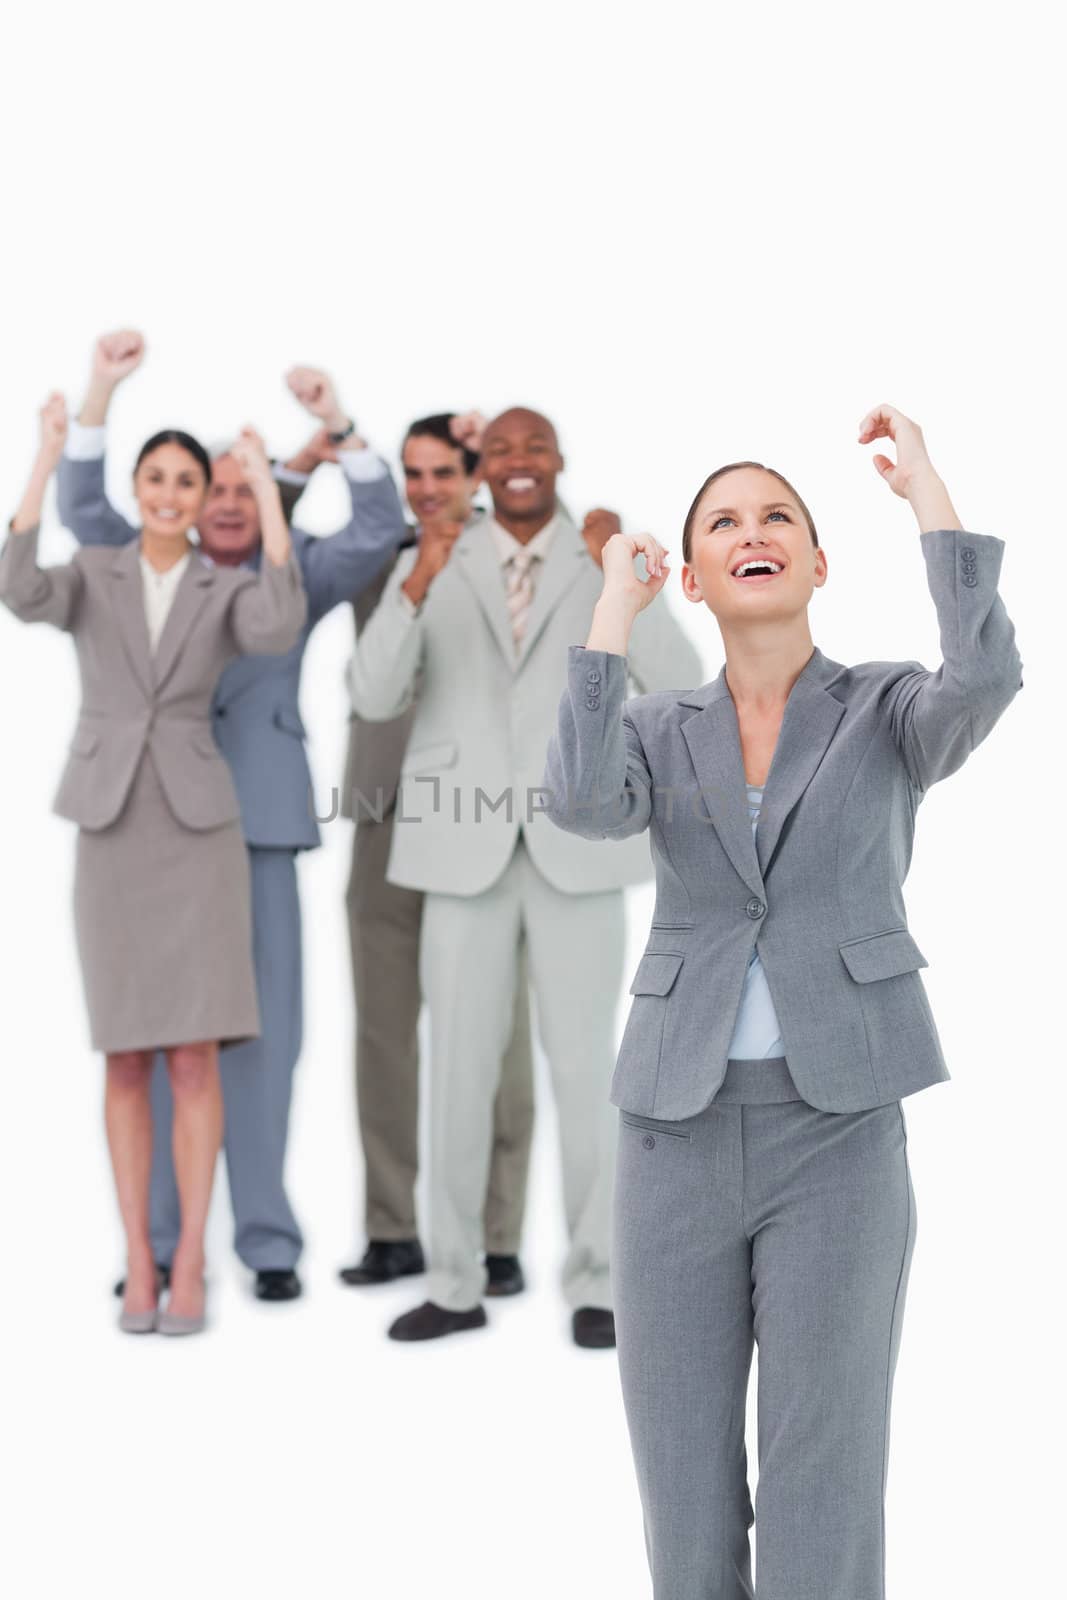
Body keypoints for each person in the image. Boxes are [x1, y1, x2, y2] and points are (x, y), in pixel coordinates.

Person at [542, 405, 1023, 1594]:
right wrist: (612, 603)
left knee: (825, 1470)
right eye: (722, 521)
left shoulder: (885, 710)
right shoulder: (657, 726)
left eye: (776, 519)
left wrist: (926, 492)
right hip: (671, 1131)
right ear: (695, 577)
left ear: (816, 562)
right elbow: (578, 799)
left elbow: (986, 675)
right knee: (682, 1482)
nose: (749, 532)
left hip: (839, 1130)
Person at [55, 333, 405, 1303]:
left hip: (253, 827)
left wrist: (334, 425)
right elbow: (79, 505)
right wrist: (100, 396)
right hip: (141, 827)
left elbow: (378, 522)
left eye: (241, 490)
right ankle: (166, 1241)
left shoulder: (289, 579)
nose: (221, 503)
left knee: (261, 1040)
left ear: (264, 499)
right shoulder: (133, 559)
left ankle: (264, 1238)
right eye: (206, 487)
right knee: (156, 1035)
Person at [348, 406, 703, 1346]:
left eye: (531, 446)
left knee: (591, 1078)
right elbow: (373, 694)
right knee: (457, 1076)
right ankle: (454, 1282)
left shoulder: (602, 555)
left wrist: (628, 580)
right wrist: (417, 578)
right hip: (457, 857)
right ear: (479, 466)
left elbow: (674, 684)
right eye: (497, 450)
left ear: (557, 460)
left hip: (580, 848)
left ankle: (599, 1284)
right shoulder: (432, 560)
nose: (515, 462)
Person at [0, 396, 308, 1335]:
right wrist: (45, 461)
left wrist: (265, 488)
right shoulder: (94, 569)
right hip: (110, 829)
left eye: (191, 481)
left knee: (196, 1052)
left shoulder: (226, 591)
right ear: (135, 491)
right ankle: (139, 1257)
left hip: (200, 830)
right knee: (126, 1054)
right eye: (160, 480)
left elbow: (279, 624)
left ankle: (190, 1267)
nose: (174, 495)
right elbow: (18, 591)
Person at [338, 409, 538, 1294]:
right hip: (384, 818)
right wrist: (331, 434)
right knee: (385, 1035)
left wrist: (498, 436)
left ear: (476, 474)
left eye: (443, 473)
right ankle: (392, 1230)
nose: (425, 490)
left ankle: (497, 1238)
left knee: (497, 1035)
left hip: (484, 819)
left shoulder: (523, 562)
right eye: (411, 473)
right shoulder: (378, 560)